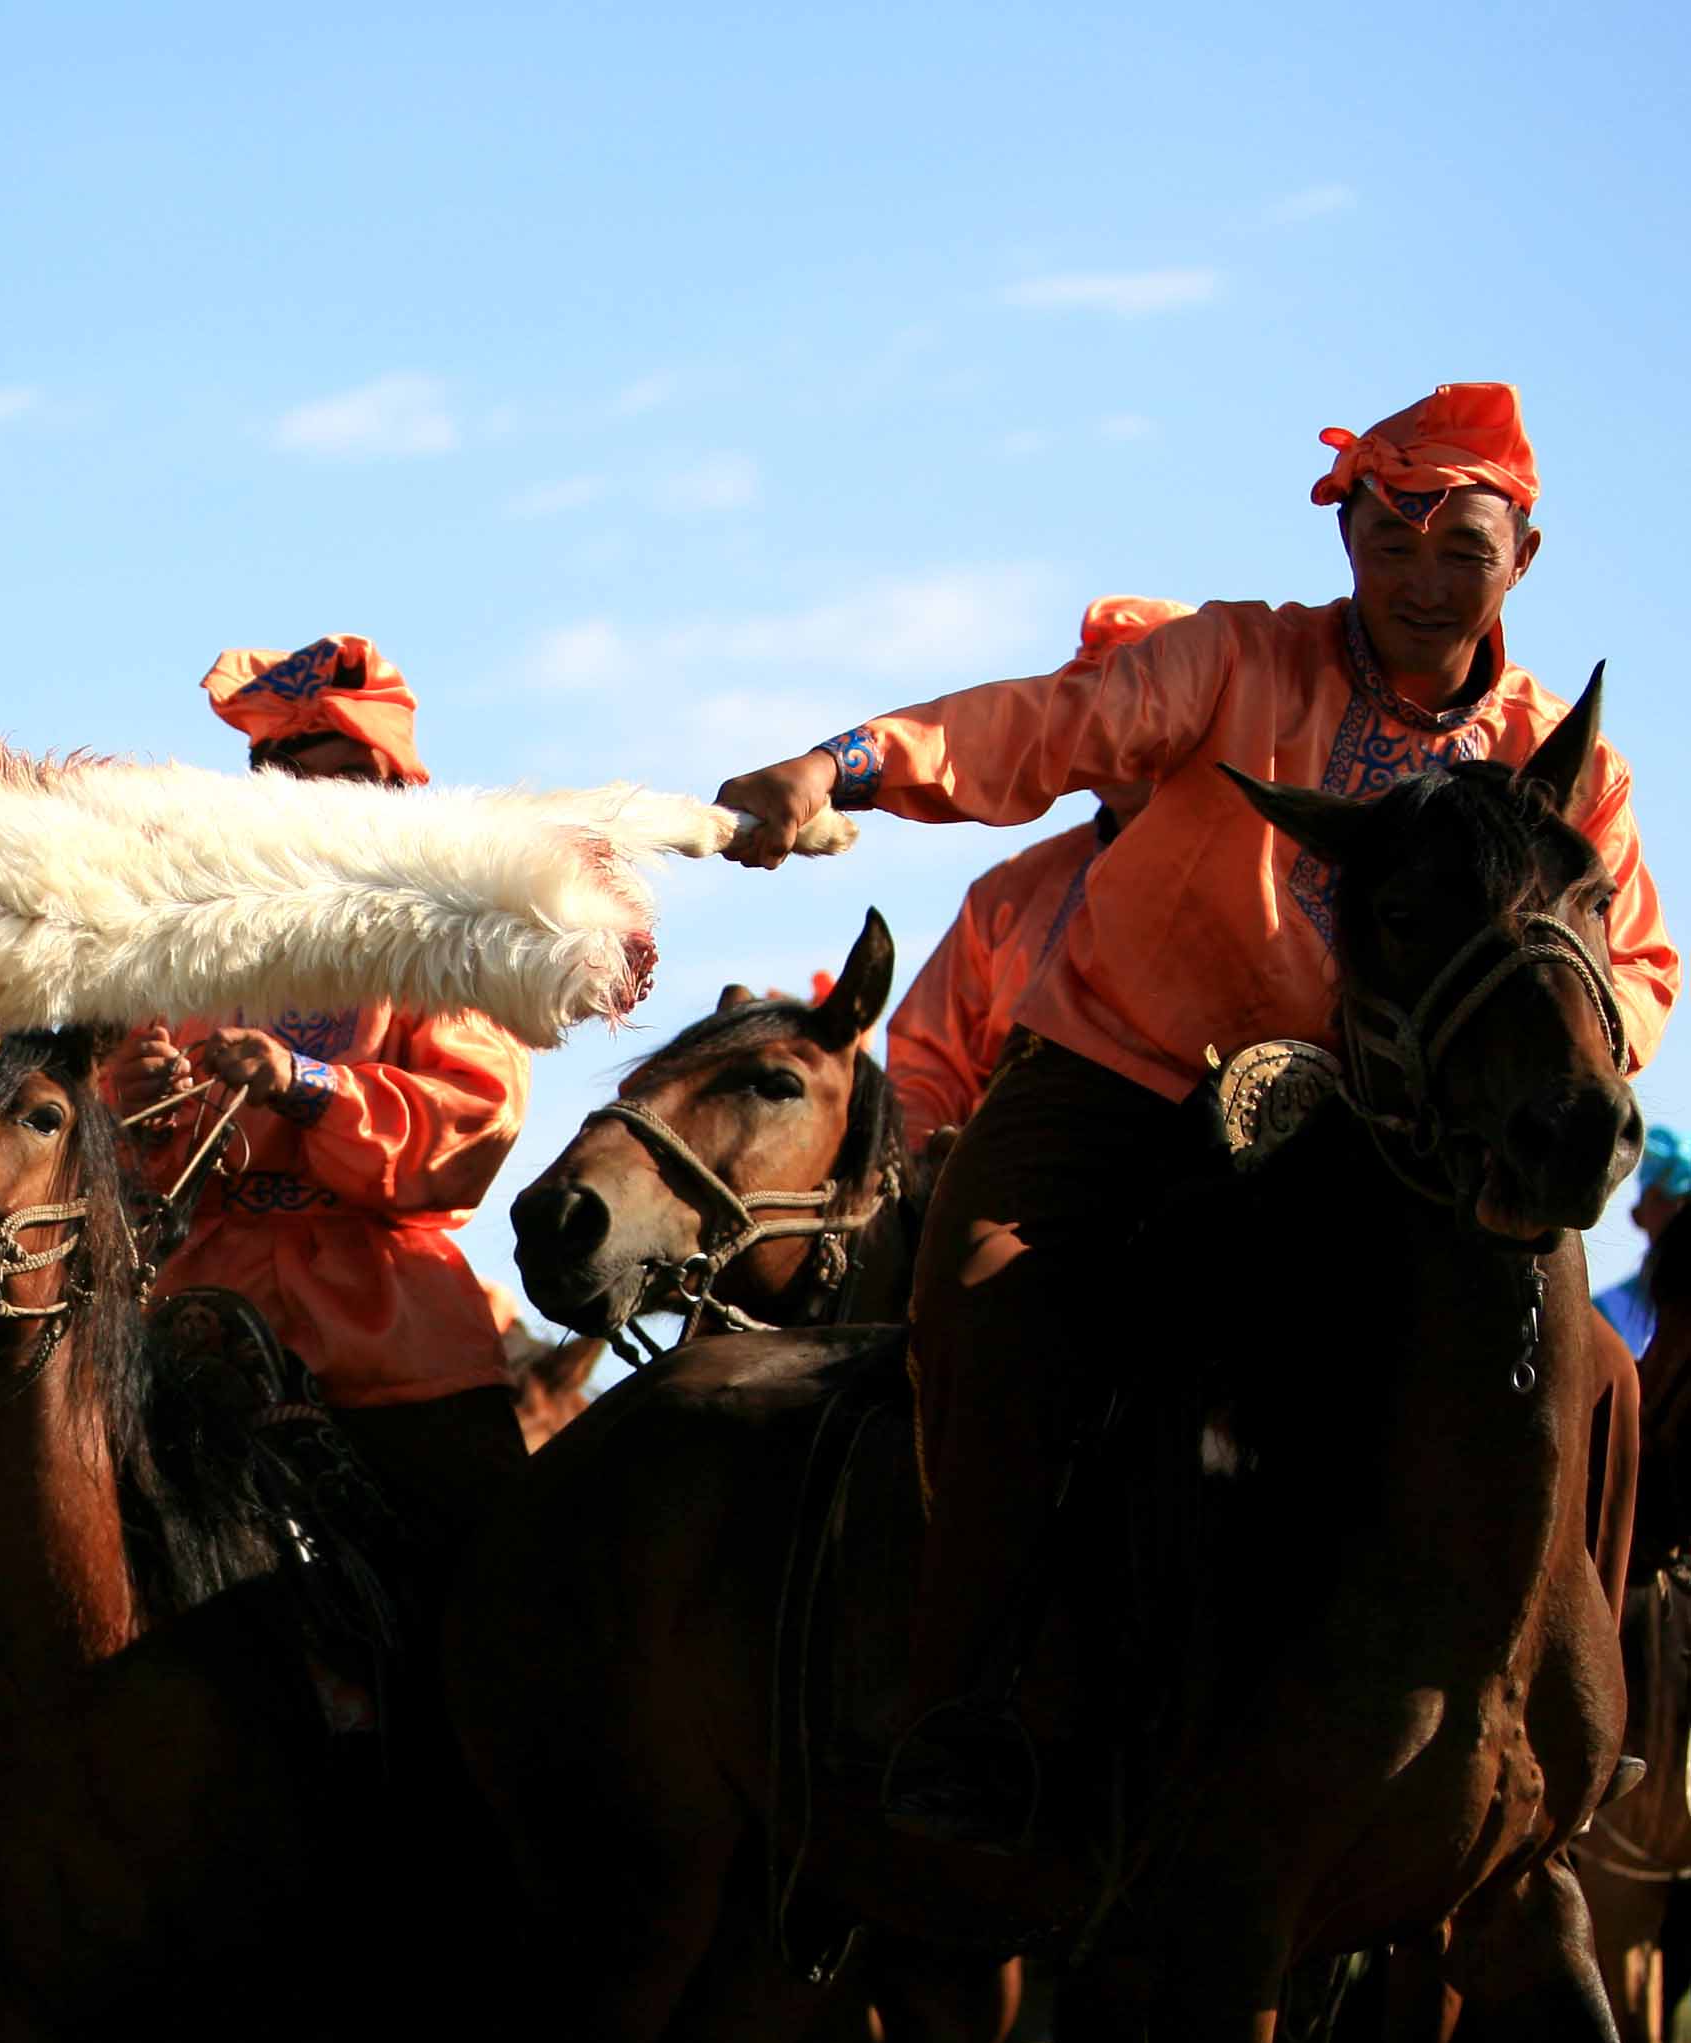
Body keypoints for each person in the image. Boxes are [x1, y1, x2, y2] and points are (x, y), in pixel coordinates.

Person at [710, 386, 1671, 1849]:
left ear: (1520, 560)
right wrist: (837, 766)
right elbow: (1041, 726)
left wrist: (1549, 1083)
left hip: (1385, 1145)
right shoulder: (1231, 659)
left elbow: (1639, 964)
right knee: (987, 1298)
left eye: (1460, 549)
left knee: (1590, 1357)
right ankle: (967, 1706)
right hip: (1113, 1086)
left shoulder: (1558, 759)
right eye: (1388, 540)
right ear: (1346, 539)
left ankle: (1565, 1739)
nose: (1420, 582)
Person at [110, 635, 533, 1572]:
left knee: (505, 1577)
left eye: (342, 782)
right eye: (285, 781)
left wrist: (308, 1086)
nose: (311, 806)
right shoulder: (189, 925)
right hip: (197, 1306)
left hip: (385, 1324)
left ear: (391, 792)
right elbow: (129, 1150)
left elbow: (475, 1119)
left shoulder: (441, 933)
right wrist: (132, 1101)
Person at [881, 597, 1193, 1146]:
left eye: (1141, 705)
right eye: (1099, 706)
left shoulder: (1270, 862)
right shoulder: (1008, 893)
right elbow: (926, 1068)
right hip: (1014, 1186)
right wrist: (928, 1168)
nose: (1118, 729)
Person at [1593, 1124, 1691, 1359]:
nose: (1678, 1211)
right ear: (1638, 1217)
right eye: (1661, 1199)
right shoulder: (1602, 1316)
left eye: (1687, 1201)